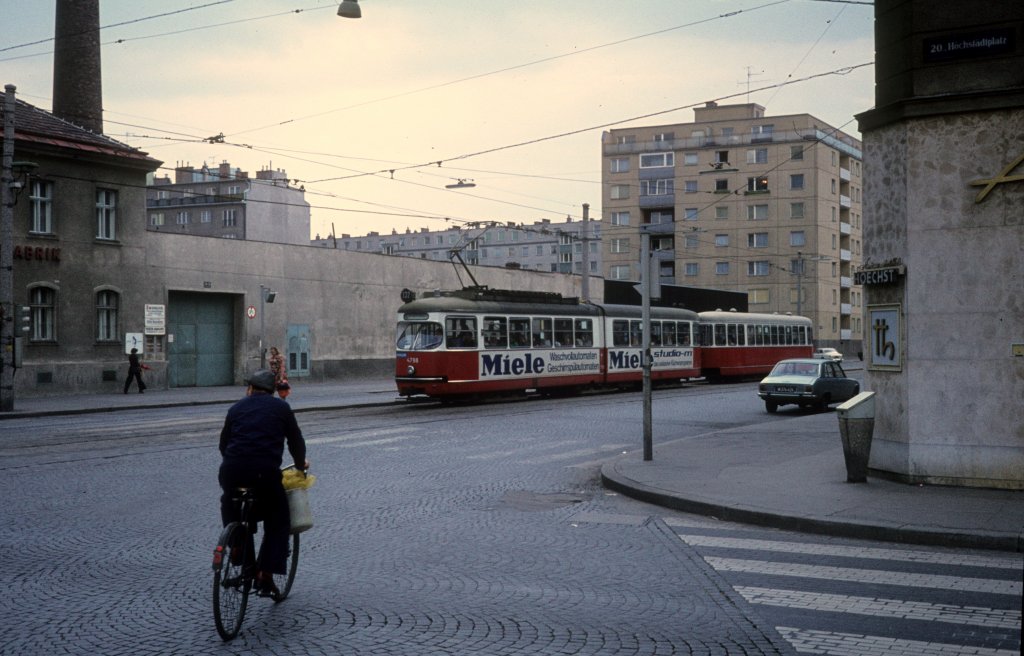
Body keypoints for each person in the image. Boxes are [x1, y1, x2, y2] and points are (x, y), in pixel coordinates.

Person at [218, 369, 308, 596]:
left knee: (229, 501)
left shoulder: (236, 408)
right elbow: (296, 442)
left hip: (232, 471)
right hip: (264, 474)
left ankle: (237, 544)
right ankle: (264, 574)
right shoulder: (281, 408)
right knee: (279, 519)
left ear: (250, 389)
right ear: (271, 391)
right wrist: (300, 464)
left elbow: (224, 445)